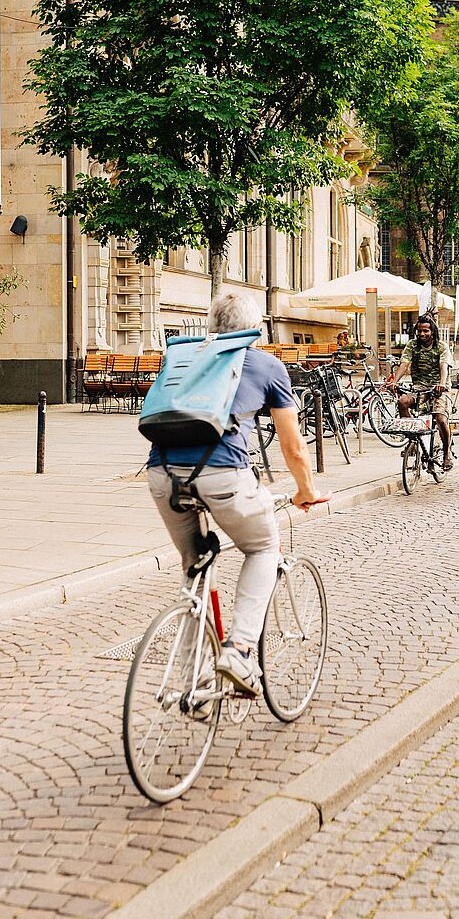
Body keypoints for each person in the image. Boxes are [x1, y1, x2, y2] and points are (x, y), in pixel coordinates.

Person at [147, 289, 328, 696]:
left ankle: (192, 680)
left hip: (161, 474)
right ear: (256, 329)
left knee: (194, 562)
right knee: (264, 546)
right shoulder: (267, 365)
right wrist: (307, 490)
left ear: (210, 327)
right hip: (223, 475)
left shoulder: (182, 357)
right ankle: (241, 651)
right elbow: (293, 446)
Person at [385, 315, 454, 472]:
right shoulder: (412, 345)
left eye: (426, 331)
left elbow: (444, 366)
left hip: (439, 389)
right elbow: (404, 364)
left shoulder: (441, 346)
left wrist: (442, 384)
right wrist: (394, 381)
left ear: (432, 331)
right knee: (402, 402)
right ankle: (413, 440)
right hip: (419, 388)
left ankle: (446, 454)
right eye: (419, 331)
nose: (422, 334)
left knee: (441, 419)